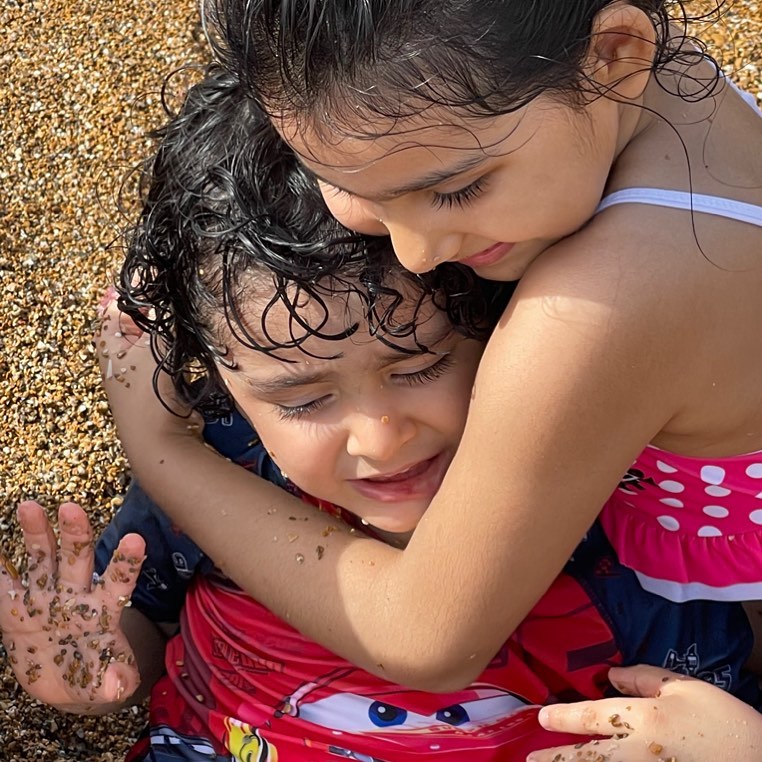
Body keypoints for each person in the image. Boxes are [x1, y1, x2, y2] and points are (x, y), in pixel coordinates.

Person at [96, 2, 762, 758]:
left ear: (614, 52)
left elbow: (426, 639)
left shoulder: (597, 312)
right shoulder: (646, 77)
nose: (415, 252)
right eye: (358, 189)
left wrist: (163, 452)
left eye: (455, 189)